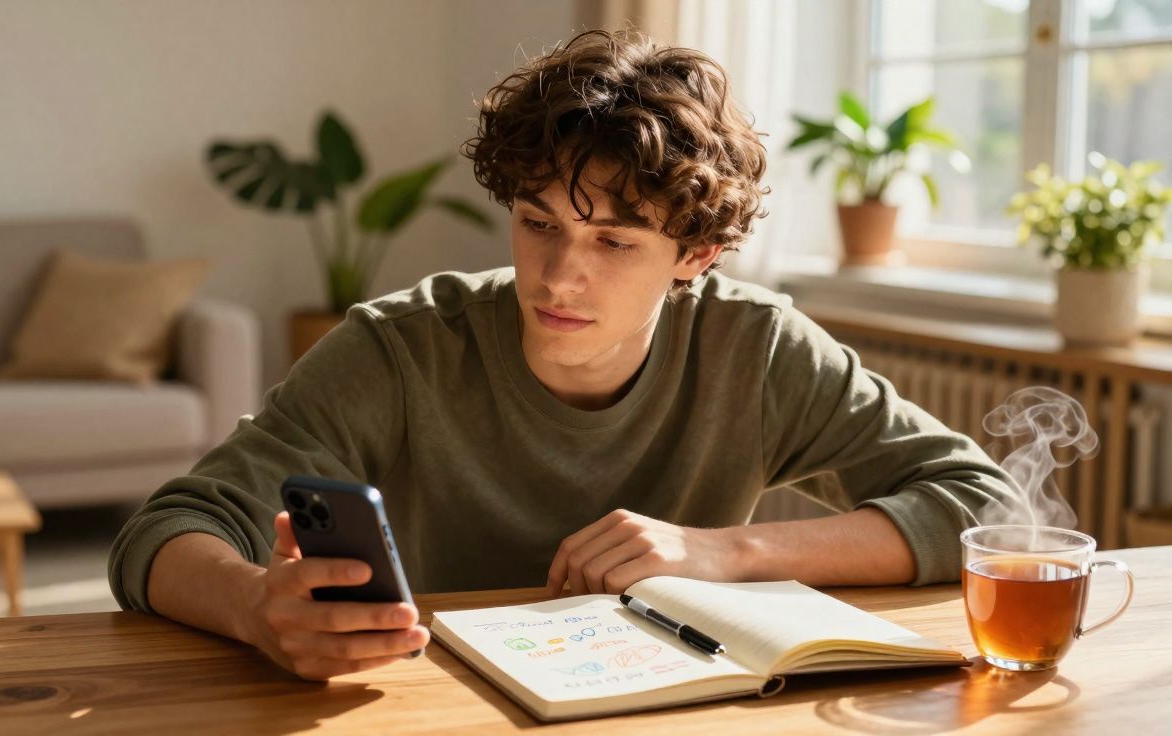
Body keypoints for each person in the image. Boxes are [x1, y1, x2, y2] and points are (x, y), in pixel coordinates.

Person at [108, 29, 1016, 681]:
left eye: (615, 243)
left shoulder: (756, 345)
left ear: (696, 256)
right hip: (434, 705)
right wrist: (251, 608)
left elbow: (984, 505)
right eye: (538, 224)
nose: (558, 279)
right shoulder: (402, 346)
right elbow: (164, 531)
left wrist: (725, 552)